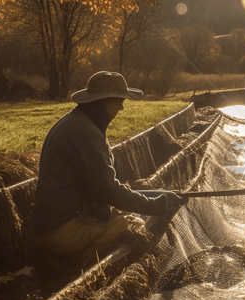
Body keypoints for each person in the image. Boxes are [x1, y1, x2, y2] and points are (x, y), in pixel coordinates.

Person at [32, 71, 185, 268]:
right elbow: (109, 192)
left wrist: (155, 196)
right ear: (103, 101)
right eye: (119, 101)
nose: (122, 107)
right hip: (60, 230)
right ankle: (75, 267)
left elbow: (103, 188)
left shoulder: (77, 122)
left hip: (51, 225)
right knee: (128, 225)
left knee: (122, 217)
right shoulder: (86, 134)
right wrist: (156, 206)